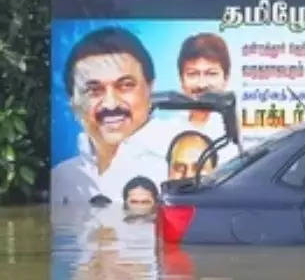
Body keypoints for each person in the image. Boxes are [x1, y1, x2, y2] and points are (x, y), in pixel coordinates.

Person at [51, 26, 169, 206]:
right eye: (94, 90)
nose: (110, 104)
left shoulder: (177, 168)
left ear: (150, 89)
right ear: (73, 101)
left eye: (125, 85)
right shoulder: (62, 177)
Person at [175, 32, 230, 140]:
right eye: (193, 74)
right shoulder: (166, 132)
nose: (202, 84)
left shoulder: (239, 132)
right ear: (181, 80)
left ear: (226, 79)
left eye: (211, 73)